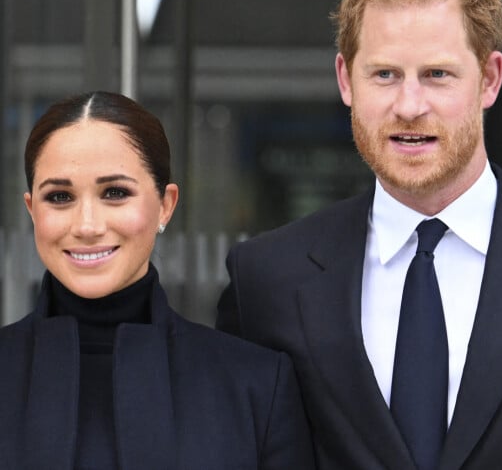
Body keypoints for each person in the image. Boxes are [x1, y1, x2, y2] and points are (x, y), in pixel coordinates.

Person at [216, 0, 502, 470]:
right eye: (384, 74)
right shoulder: (268, 279)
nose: (410, 106)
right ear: (346, 79)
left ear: (491, 79)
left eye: (437, 74)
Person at [0, 91, 316, 470]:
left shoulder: (257, 387)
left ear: (166, 205)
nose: (86, 225)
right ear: (32, 209)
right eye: (60, 196)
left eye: (115, 193)